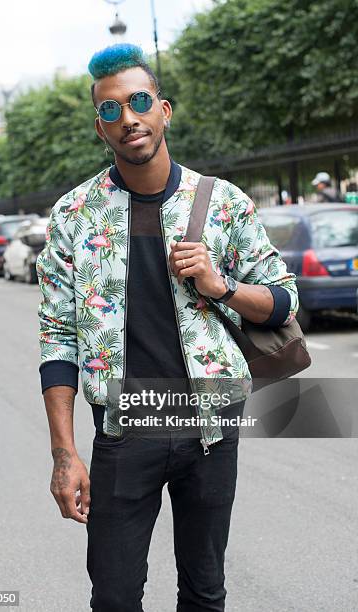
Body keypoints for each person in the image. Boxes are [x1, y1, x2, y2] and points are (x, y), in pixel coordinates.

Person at [36, 43, 299, 612]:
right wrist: (64, 453)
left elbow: (283, 302)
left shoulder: (223, 203)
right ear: (100, 128)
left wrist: (220, 284)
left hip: (210, 424)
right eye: (111, 110)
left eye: (139, 102)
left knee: (205, 592)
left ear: (164, 110)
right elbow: (58, 338)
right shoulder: (74, 216)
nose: (127, 117)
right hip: (124, 429)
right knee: (113, 595)